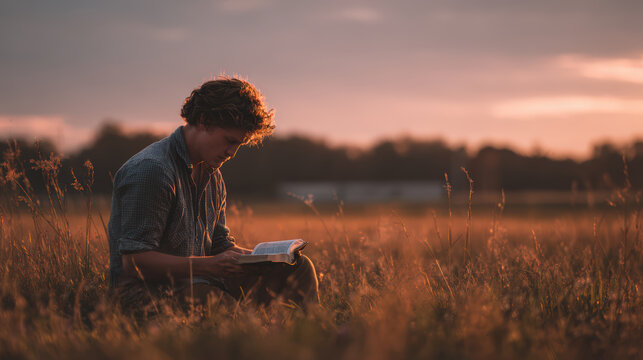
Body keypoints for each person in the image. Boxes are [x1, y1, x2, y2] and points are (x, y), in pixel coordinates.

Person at [107, 77, 319, 311]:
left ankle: (309, 337)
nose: (231, 153)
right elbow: (135, 262)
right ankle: (257, 333)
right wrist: (210, 266)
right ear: (204, 121)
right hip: (149, 294)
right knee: (217, 304)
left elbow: (219, 245)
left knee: (299, 268)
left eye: (239, 144)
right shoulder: (152, 170)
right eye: (229, 141)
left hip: (203, 281)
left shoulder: (212, 174)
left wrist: (265, 260)